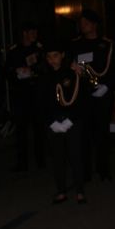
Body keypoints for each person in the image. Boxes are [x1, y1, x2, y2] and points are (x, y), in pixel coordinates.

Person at [69, 8, 115, 182]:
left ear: (94, 24)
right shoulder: (75, 44)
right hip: (82, 94)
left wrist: (107, 86)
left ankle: (104, 171)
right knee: (84, 134)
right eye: (81, 23)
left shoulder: (107, 44)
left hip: (102, 93)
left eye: (86, 23)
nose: (83, 26)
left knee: (102, 134)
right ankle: (86, 172)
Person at [39, 39, 86, 204]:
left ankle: (80, 191)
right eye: (49, 56)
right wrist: (51, 122)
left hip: (72, 121)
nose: (52, 59)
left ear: (62, 55)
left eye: (55, 56)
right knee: (57, 158)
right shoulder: (44, 76)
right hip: (53, 122)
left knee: (75, 156)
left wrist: (69, 120)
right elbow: (42, 103)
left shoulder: (72, 73)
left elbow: (80, 99)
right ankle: (61, 190)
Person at [6, 21, 46, 172]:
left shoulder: (39, 49)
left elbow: (45, 67)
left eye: (36, 31)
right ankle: (22, 163)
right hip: (21, 94)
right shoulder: (14, 50)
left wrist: (33, 70)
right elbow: (8, 71)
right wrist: (17, 73)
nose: (35, 34)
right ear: (25, 33)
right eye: (32, 31)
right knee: (21, 130)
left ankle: (40, 160)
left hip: (36, 93)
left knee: (38, 128)